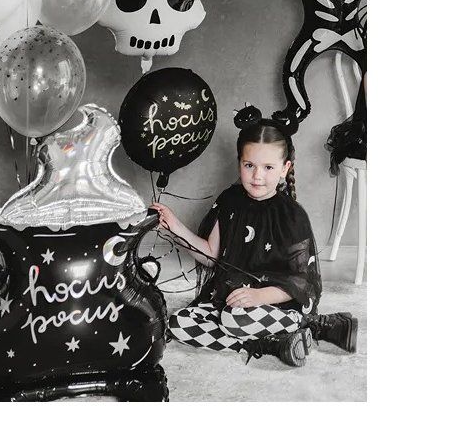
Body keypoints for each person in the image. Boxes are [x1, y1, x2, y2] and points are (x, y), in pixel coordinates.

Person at [150, 105, 358, 368]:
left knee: (233, 320)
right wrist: (175, 226)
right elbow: (211, 256)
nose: (258, 176)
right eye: (249, 165)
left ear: (284, 168)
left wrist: (259, 297)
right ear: (240, 163)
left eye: (268, 167)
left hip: (276, 302)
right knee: (179, 323)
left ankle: (310, 324)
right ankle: (271, 344)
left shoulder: (291, 215)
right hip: (231, 297)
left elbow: (302, 282)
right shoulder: (230, 200)